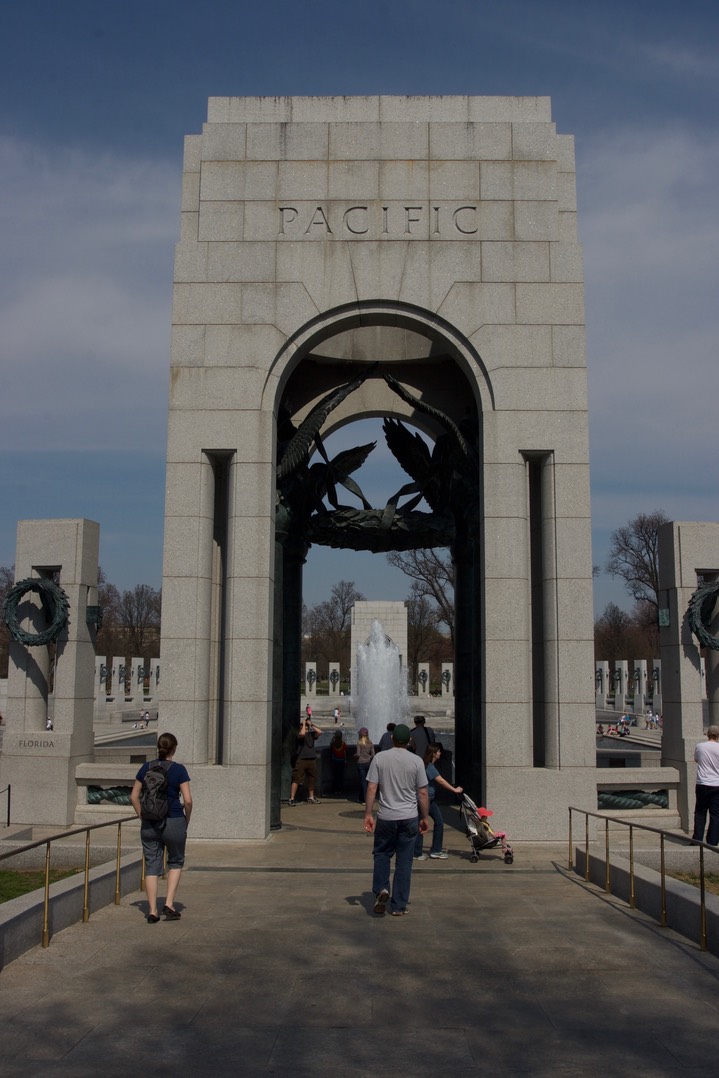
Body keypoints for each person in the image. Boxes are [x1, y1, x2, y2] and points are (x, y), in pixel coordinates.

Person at [364, 723, 429, 916]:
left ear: (392, 739)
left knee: (382, 854)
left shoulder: (380, 758)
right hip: (409, 817)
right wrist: (425, 817)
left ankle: (382, 889)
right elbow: (423, 793)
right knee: (404, 861)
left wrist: (368, 813)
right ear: (409, 741)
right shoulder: (416, 761)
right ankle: (399, 906)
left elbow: (371, 788)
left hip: (386, 817)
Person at [130, 732, 192, 923]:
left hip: (149, 822)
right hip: (173, 819)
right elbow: (188, 800)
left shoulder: (146, 767)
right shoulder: (179, 770)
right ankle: (169, 904)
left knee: (151, 865)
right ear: (174, 748)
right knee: (175, 861)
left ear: (158, 748)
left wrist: (142, 815)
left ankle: (152, 911)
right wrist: (185, 820)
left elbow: (133, 796)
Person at [414, 744, 463, 861]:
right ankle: (418, 852)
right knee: (423, 824)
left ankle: (434, 850)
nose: (440, 753)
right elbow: (440, 780)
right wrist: (454, 789)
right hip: (423, 800)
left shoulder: (426, 765)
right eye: (439, 752)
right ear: (434, 753)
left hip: (429, 800)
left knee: (439, 822)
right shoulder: (429, 767)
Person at [692, 726, 719, 845]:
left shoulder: (700, 746)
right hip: (716, 784)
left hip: (702, 783)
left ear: (707, 734)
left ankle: (697, 839)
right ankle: (712, 841)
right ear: (718, 735)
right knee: (715, 814)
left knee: (700, 812)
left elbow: (697, 760)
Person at [289, 714, 322, 805]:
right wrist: (303, 723)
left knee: (312, 779)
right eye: (304, 726)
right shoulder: (299, 735)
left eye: (306, 726)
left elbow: (320, 732)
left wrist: (311, 724)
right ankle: (292, 798)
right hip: (302, 759)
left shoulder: (311, 735)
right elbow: (302, 734)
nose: (306, 727)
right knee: (296, 778)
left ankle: (311, 797)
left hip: (311, 759)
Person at [355, 727, 375, 804]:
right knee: (367, 782)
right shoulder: (370, 743)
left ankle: (364, 800)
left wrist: (355, 755)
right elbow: (373, 755)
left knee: (362, 782)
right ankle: (361, 798)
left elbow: (358, 754)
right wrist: (368, 757)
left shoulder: (359, 742)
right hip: (368, 763)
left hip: (361, 763)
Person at [329, 729, 347, 795]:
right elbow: (344, 752)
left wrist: (332, 739)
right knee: (340, 775)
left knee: (335, 775)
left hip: (334, 760)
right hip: (341, 760)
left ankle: (335, 789)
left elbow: (330, 748)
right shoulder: (343, 743)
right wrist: (345, 759)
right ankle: (340, 789)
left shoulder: (333, 743)